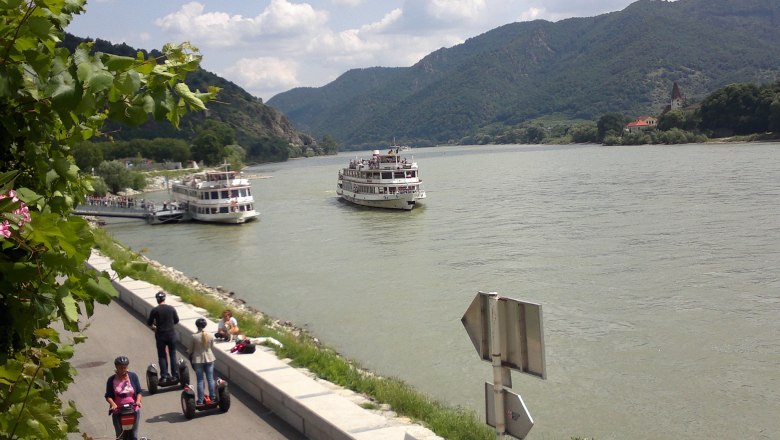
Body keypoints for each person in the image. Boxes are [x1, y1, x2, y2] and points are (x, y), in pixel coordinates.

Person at [105, 356, 142, 440]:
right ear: (116, 367)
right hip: (118, 410)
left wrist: (138, 401)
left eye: (124, 367)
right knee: (120, 435)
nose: (123, 369)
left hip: (133, 408)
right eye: (120, 368)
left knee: (134, 435)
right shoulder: (111, 380)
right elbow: (108, 396)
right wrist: (113, 404)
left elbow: (139, 391)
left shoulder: (133, 376)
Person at [147, 290, 179, 381]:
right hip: (171, 334)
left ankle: (164, 376)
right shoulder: (171, 308)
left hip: (160, 335)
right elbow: (176, 321)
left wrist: (154, 327)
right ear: (164, 298)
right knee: (172, 354)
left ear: (157, 300)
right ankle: (175, 375)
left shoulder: (155, 310)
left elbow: (149, 322)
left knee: (162, 355)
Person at [189, 318, 216, 405]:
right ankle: (213, 397)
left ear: (196, 325)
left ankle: (200, 400)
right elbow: (211, 347)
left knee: (200, 380)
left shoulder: (194, 336)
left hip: (198, 360)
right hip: (209, 358)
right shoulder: (210, 335)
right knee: (210, 379)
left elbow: (190, 350)